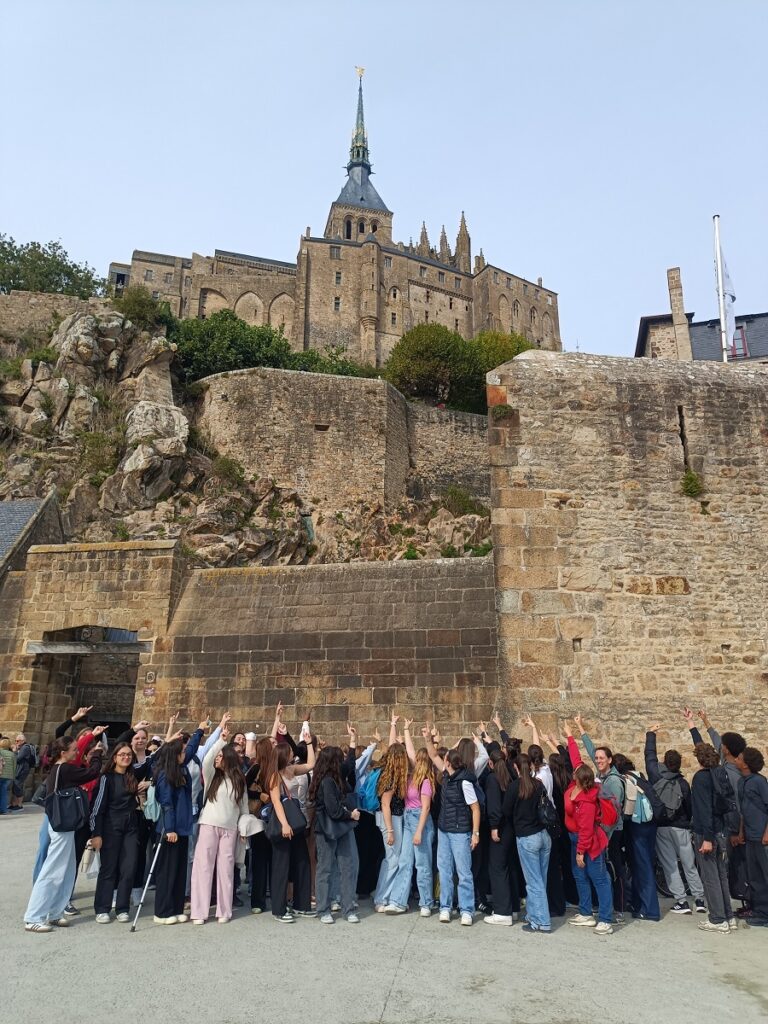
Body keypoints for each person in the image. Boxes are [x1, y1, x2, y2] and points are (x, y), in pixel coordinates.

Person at [22, 737, 103, 932]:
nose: (77, 752)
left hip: (63, 823)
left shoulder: (60, 769)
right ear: (63, 752)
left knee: (66, 870)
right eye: (73, 749)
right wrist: (97, 754)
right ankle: (34, 915)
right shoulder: (64, 769)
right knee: (53, 870)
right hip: (62, 824)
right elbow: (92, 772)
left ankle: (55, 912)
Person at [644, 726, 705, 914]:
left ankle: (681, 901)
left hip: (662, 827)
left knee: (670, 865)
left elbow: (649, 756)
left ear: (664, 763)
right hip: (682, 828)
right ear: (679, 764)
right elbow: (690, 807)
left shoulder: (656, 777)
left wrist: (651, 734)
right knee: (689, 864)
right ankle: (699, 899)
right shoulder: (683, 783)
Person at [190, 729, 248, 925]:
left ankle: (224, 909)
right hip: (209, 824)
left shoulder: (239, 780)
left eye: (221, 757)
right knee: (203, 867)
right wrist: (220, 742)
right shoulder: (212, 775)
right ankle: (199, 911)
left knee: (226, 870)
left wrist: (243, 829)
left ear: (228, 759)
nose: (217, 759)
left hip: (230, 828)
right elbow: (206, 760)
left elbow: (244, 808)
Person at [424, 729, 480, 926]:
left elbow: (475, 809)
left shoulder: (464, 782)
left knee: (464, 872)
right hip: (445, 829)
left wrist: (475, 833)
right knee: (444, 870)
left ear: (448, 762)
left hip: (460, 831)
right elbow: (432, 754)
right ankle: (445, 907)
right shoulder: (447, 776)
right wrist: (427, 738)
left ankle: (466, 909)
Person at [90, 742, 149, 923]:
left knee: (129, 866)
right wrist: (96, 833)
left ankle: (122, 907)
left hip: (130, 827)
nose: (126, 757)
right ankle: (102, 907)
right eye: (122, 754)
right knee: (109, 868)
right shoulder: (106, 778)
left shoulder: (132, 776)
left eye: (128, 755)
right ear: (115, 757)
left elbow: (151, 762)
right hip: (110, 827)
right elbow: (97, 807)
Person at [152, 723, 205, 925]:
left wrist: (199, 731)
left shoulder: (181, 768)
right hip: (170, 829)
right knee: (167, 870)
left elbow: (191, 749)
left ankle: (175, 907)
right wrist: (170, 828)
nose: (186, 752)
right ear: (175, 754)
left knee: (180, 869)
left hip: (182, 829)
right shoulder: (166, 774)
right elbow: (167, 804)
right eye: (181, 751)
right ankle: (162, 911)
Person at [575, 714, 628, 917]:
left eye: (601, 758)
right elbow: (591, 751)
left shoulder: (613, 781)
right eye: (596, 759)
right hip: (604, 832)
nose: (598, 761)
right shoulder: (602, 775)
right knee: (606, 870)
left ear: (610, 760)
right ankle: (609, 907)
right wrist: (581, 728)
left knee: (613, 870)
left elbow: (612, 814)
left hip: (613, 831)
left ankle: (619, 908)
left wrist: (602, 835)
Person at [384, 722, 437, 916]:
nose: (415, 761)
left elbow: (426, 808)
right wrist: (404, 730)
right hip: (408, 818)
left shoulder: (425, 781)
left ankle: (426, 902)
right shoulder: (410, 775)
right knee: (405, 861)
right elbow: (401, 752)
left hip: (421, 821)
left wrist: (419, 831)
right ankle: (398, 901)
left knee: (422, 864)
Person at [310, 746, 362, 924]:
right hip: (329, 827)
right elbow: (333, 810)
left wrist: (353, 745)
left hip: (337, 828)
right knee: (327, 869)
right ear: (334, 762)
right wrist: (351, 815)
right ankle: (325, 908)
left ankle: (345, 908)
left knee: (345, 867)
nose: (342, 762)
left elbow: (349, 765)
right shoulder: (327, 781)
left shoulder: (334, 778)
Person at [265, 735, 313, 923]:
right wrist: (284, 824)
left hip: (296, 823)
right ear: (284, 755)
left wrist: (309, 743)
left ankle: (302, 904)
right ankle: (279, 908)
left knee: (302, 862)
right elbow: (276, 801)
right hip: (284, 822)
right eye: (290, 752)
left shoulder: (292, 769)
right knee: (281, 866)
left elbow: (310, 765)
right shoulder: (274, 776)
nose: (293, 753)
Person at [503, 752, 551, 934]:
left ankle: (542, 921)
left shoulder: (515, 787)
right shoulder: (538, 785)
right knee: (540, 879)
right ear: (531, 766)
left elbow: (506, 810)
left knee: (533, 881)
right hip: (543, 834)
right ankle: (533, 914)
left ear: (515, 767)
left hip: (527, 837)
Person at [564, 763, 614, 935]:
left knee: (599, 879)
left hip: (590, 844)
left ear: (579, 778)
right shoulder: (575, 788)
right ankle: (586, 912)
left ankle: (606, 919)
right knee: (580, 876)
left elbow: (586, 829)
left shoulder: (587, 801)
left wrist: (580, 852)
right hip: (575, 839)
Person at [691, 742, 735, 933]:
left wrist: (707, 838)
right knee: (720, 875)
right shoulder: (719, 773)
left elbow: (704, 809)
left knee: (710, 877)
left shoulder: (701, 778)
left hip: (706, 832)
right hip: (720, 830)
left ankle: (717, 919)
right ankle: (728, 915)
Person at [483, 749, 520, 926]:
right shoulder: (511, 776)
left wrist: (494, 826)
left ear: (491, 762)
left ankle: (502, 911)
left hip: (500, 828)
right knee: (510, 866)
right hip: (511, 827)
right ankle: (512, 908)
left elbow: (494, 805)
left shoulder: (492, 778)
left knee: (497, 868)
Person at [373, 733, 408, 912]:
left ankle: (384, 896)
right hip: (390, 819)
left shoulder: (386, 772)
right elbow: (386, 804)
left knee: (392, 858)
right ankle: (382, 898)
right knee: (393, 859)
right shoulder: (392, 778)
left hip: (388, 818)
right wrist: (391, 831)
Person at [738, 747, 768, 928]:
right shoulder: (742, 782)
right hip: (750, 836)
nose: (737, 759)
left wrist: (766, 832)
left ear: (746, 763)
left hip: (762, 837)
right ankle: (760, 911)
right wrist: (741, 832)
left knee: (765, 875)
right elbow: (743, 811)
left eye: (740, 758)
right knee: (755, 876)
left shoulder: (759, 782)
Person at [10, 733, 36, 810]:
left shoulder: (25, 748)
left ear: (23, 741)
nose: (16, 742)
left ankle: (20, 805)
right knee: (16, 785)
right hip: (21, 768)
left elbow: (18, 759)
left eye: (18, 741)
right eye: (15, 740)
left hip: (22, 769)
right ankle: (14, 804)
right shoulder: (22, 747)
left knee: (18, 785)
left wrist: (14, 751)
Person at [0, 737, 16, 814]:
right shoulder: (12, 754)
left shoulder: (0, 752)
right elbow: (14, 766)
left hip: (1, 774)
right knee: (4, 792)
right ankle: (3, 810)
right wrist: (13, 776)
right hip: (8, 776)